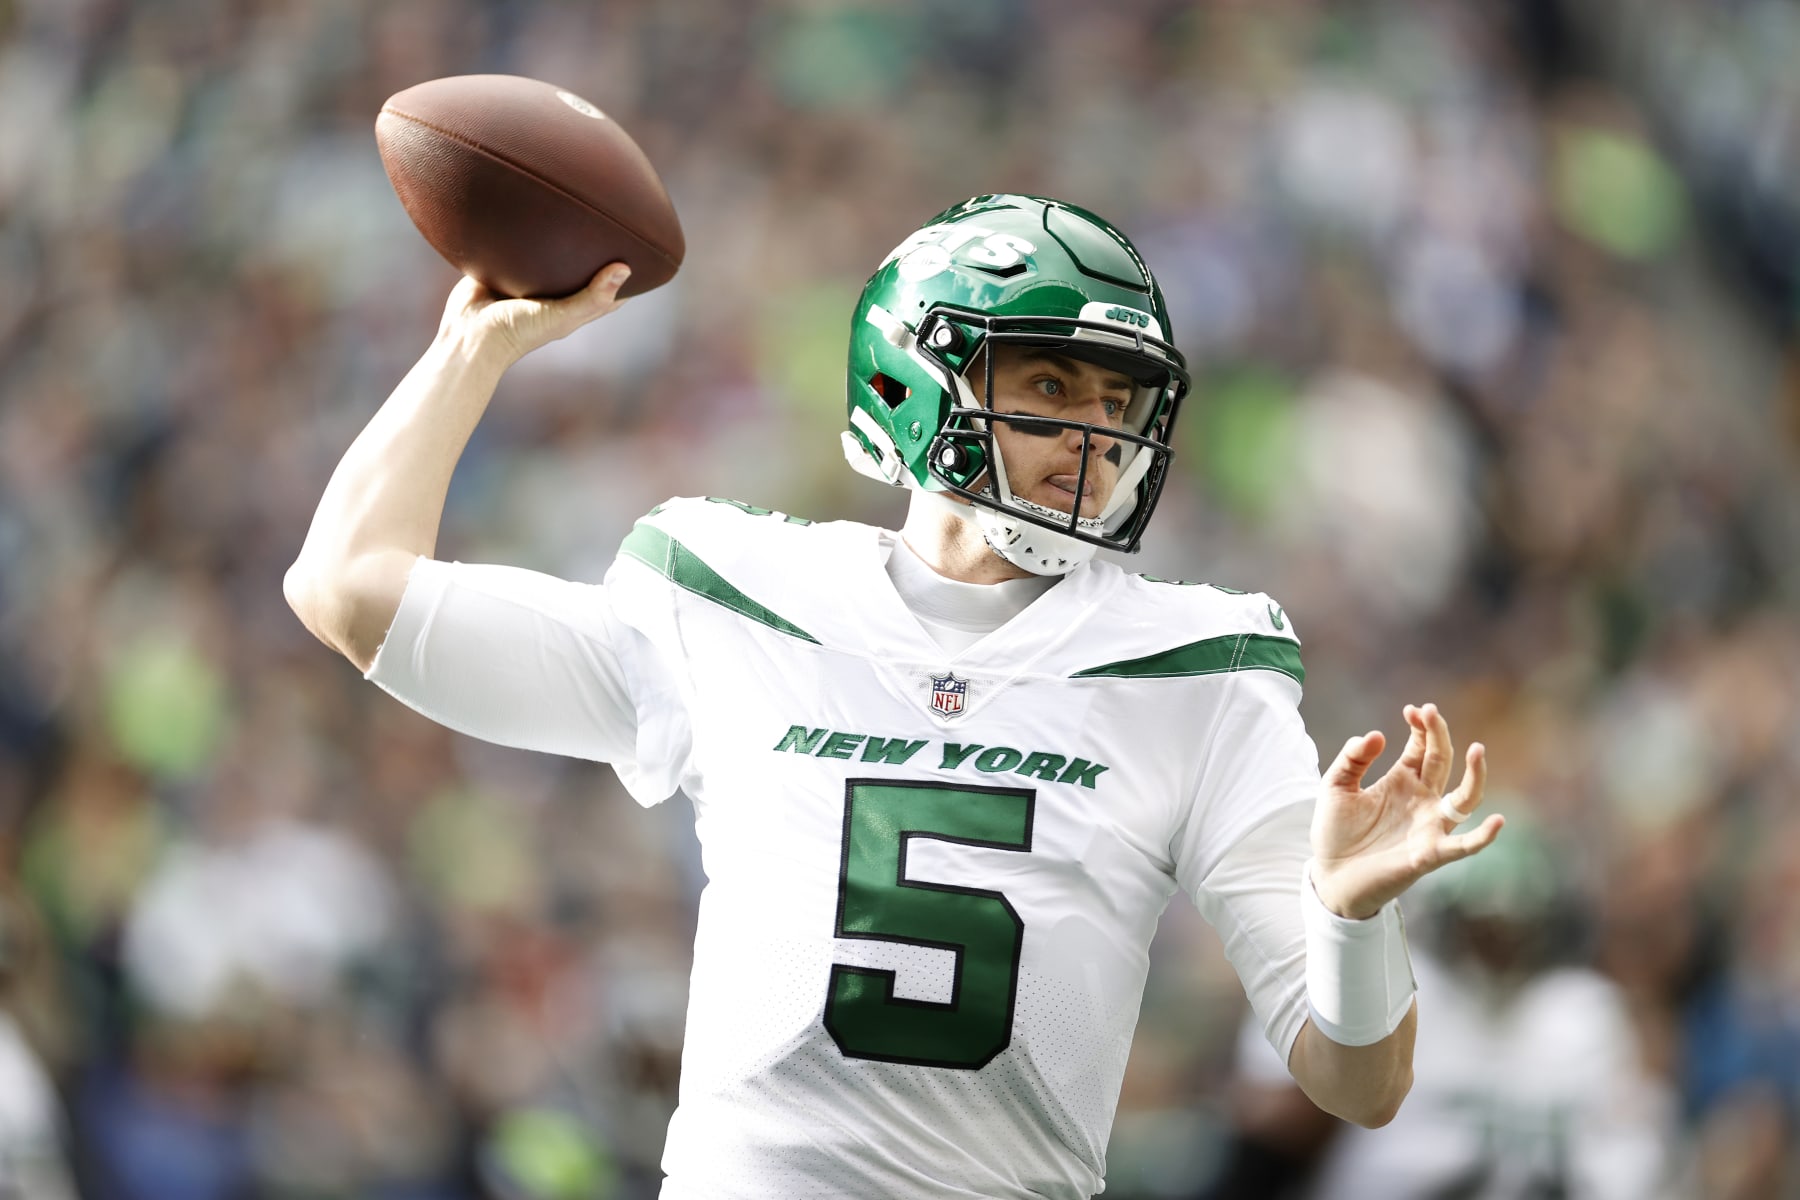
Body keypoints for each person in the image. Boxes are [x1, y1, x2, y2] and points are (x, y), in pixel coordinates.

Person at [284, 193, 1503, 1199]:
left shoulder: (1198, 668)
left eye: (1117, 401)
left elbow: (1361, 1085)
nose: (1095, 437)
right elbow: (348, 589)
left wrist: (1349, 920)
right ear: (917, 379)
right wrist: (473, 348)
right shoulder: (732, 593)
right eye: (1052, 386)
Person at [1210, 811, 1684, 1200]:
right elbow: (1273, 1131)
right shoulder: (1393, 986)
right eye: (1483, 927)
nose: (1499, 947)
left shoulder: (1585, 1014)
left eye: (1516, 927)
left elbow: (1633, 1155)